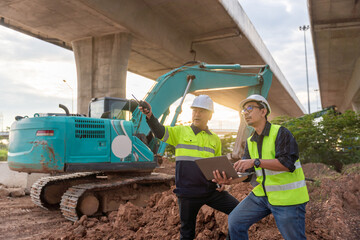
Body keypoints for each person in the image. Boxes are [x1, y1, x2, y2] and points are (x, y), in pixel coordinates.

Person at [139, 95, 239, 240]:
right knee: (187, 233)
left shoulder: (215, 139)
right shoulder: (180, 132)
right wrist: (150, 116)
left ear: (210, 115)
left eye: (201, 111)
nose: (197, 114)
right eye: (195, 110)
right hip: (188, 193)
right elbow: (160, 132)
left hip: (210, 191)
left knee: (238, 211)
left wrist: (220, 182)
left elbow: (217, 166)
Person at [213, 94, 309, 240]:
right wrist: (230, 181)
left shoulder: (281, 133)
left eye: (250, 108)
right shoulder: (250, 141)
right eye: (244, 110)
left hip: (288, 198)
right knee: (235, 221)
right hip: (263, 195)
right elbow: (249, 173)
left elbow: (287, 164)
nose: (245, 113)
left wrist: (255, 161)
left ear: (263, 111)